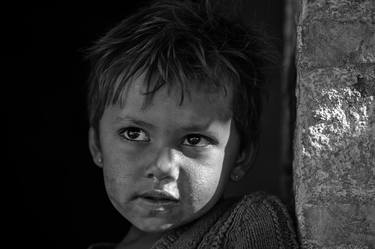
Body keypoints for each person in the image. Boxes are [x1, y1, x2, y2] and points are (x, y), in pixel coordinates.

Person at [86, 0, 299, 248]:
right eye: (134, 133)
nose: (162, 167)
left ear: (242, 154)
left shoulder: (247, 224)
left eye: (194, 140)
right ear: (97, 145)